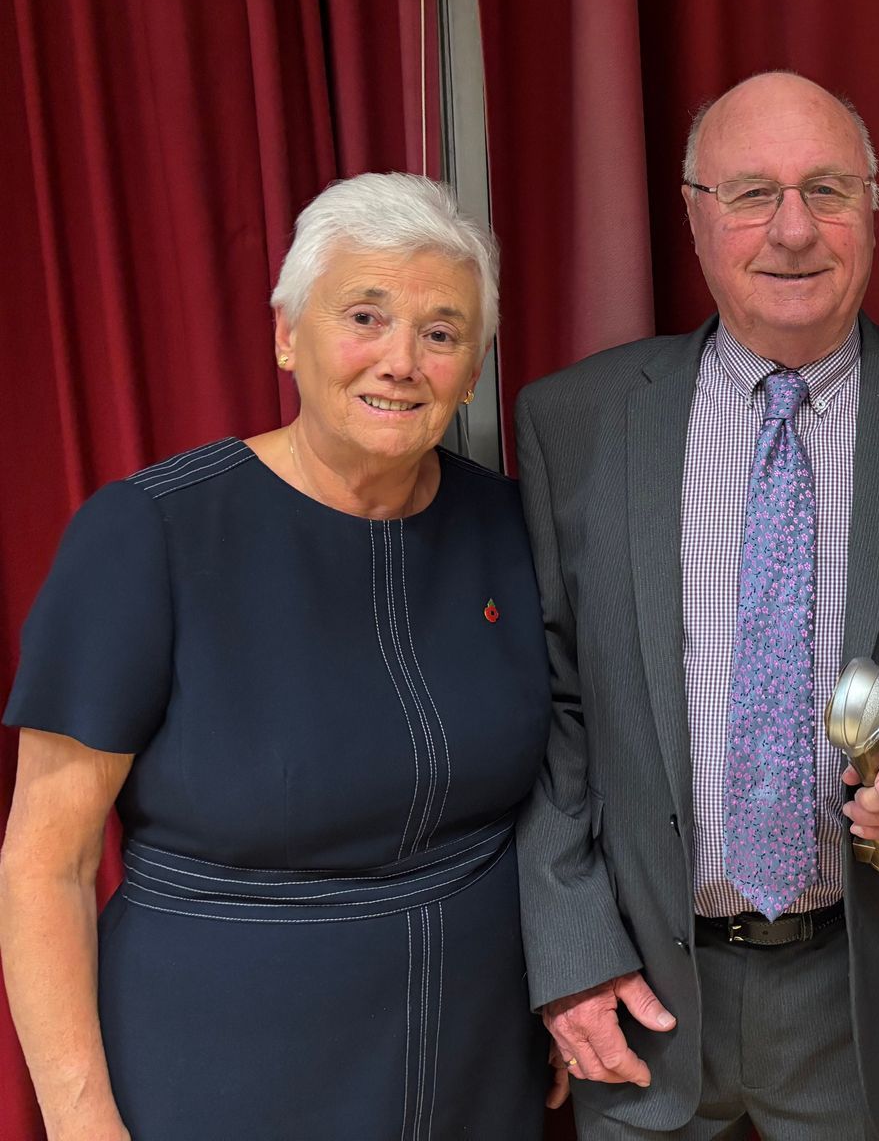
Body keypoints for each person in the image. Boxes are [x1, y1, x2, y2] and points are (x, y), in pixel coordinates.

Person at [513, 70, 879, 1141]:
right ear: (694, 215)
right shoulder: (575, 422)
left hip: (870, 989)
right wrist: (570, 953)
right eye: (752, 194)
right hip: (640, 988)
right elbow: (549, 702)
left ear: (873, 210)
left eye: (827, 191)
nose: (793, 231)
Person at [0, 173, 552, 1139]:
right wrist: (82, 1126)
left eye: (441, 332)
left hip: (474, 1067)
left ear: (472, 372)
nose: (400, 361)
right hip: (225, 1073)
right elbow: (47, 861)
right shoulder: (149, 533)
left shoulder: (511, 524)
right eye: (365, 317)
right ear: (287, 335)